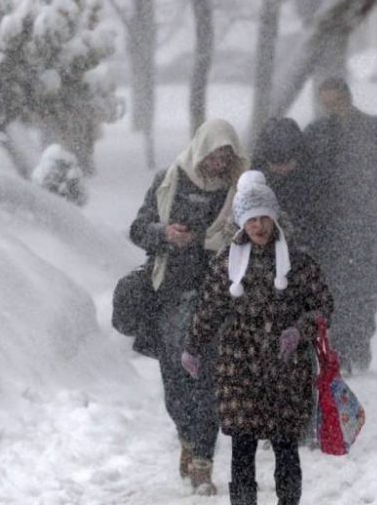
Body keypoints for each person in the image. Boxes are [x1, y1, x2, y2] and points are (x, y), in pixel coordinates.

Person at [181, 170, 333, 505]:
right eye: (251, 220)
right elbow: (210, 308)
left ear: (274, 218)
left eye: (264, 218)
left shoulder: (297, 262)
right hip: (239, 365)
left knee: (285, 445)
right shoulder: (227, 264)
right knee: (242, 445)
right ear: (241, 223)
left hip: (286, 367)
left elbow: (323, 306)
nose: (259, 227)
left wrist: (300, 330)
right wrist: (193, 346)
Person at [129, 118, 247, 495]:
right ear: (201, 150)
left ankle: (202, 463)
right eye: (214, 154)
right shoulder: (170, 181)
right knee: (176, 384)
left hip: (218, 299)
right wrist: (165, 235)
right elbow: (138, 228)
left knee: (207, 380)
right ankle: (187, 437)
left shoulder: (239, 189)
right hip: (171, 297)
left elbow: (261, 230)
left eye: (227, 155)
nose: (219, 162)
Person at [304, 77, 377, 373]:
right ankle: (341, 346)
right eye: (326, 103)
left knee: (364, 286)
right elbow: (305, 182)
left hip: (364, 224)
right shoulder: (315, 133)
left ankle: (358, 340)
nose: (332, 108)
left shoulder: (376, 131)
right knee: (334, 288)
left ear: (347, 97)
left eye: (335, 101)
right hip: (327, 228)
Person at [252, 117, 322, 251]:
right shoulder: (257, 178)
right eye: (275, 163)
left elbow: (319, 219)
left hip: (308, 247)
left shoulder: (314, 177)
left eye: (287, 162)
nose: (282, 169)